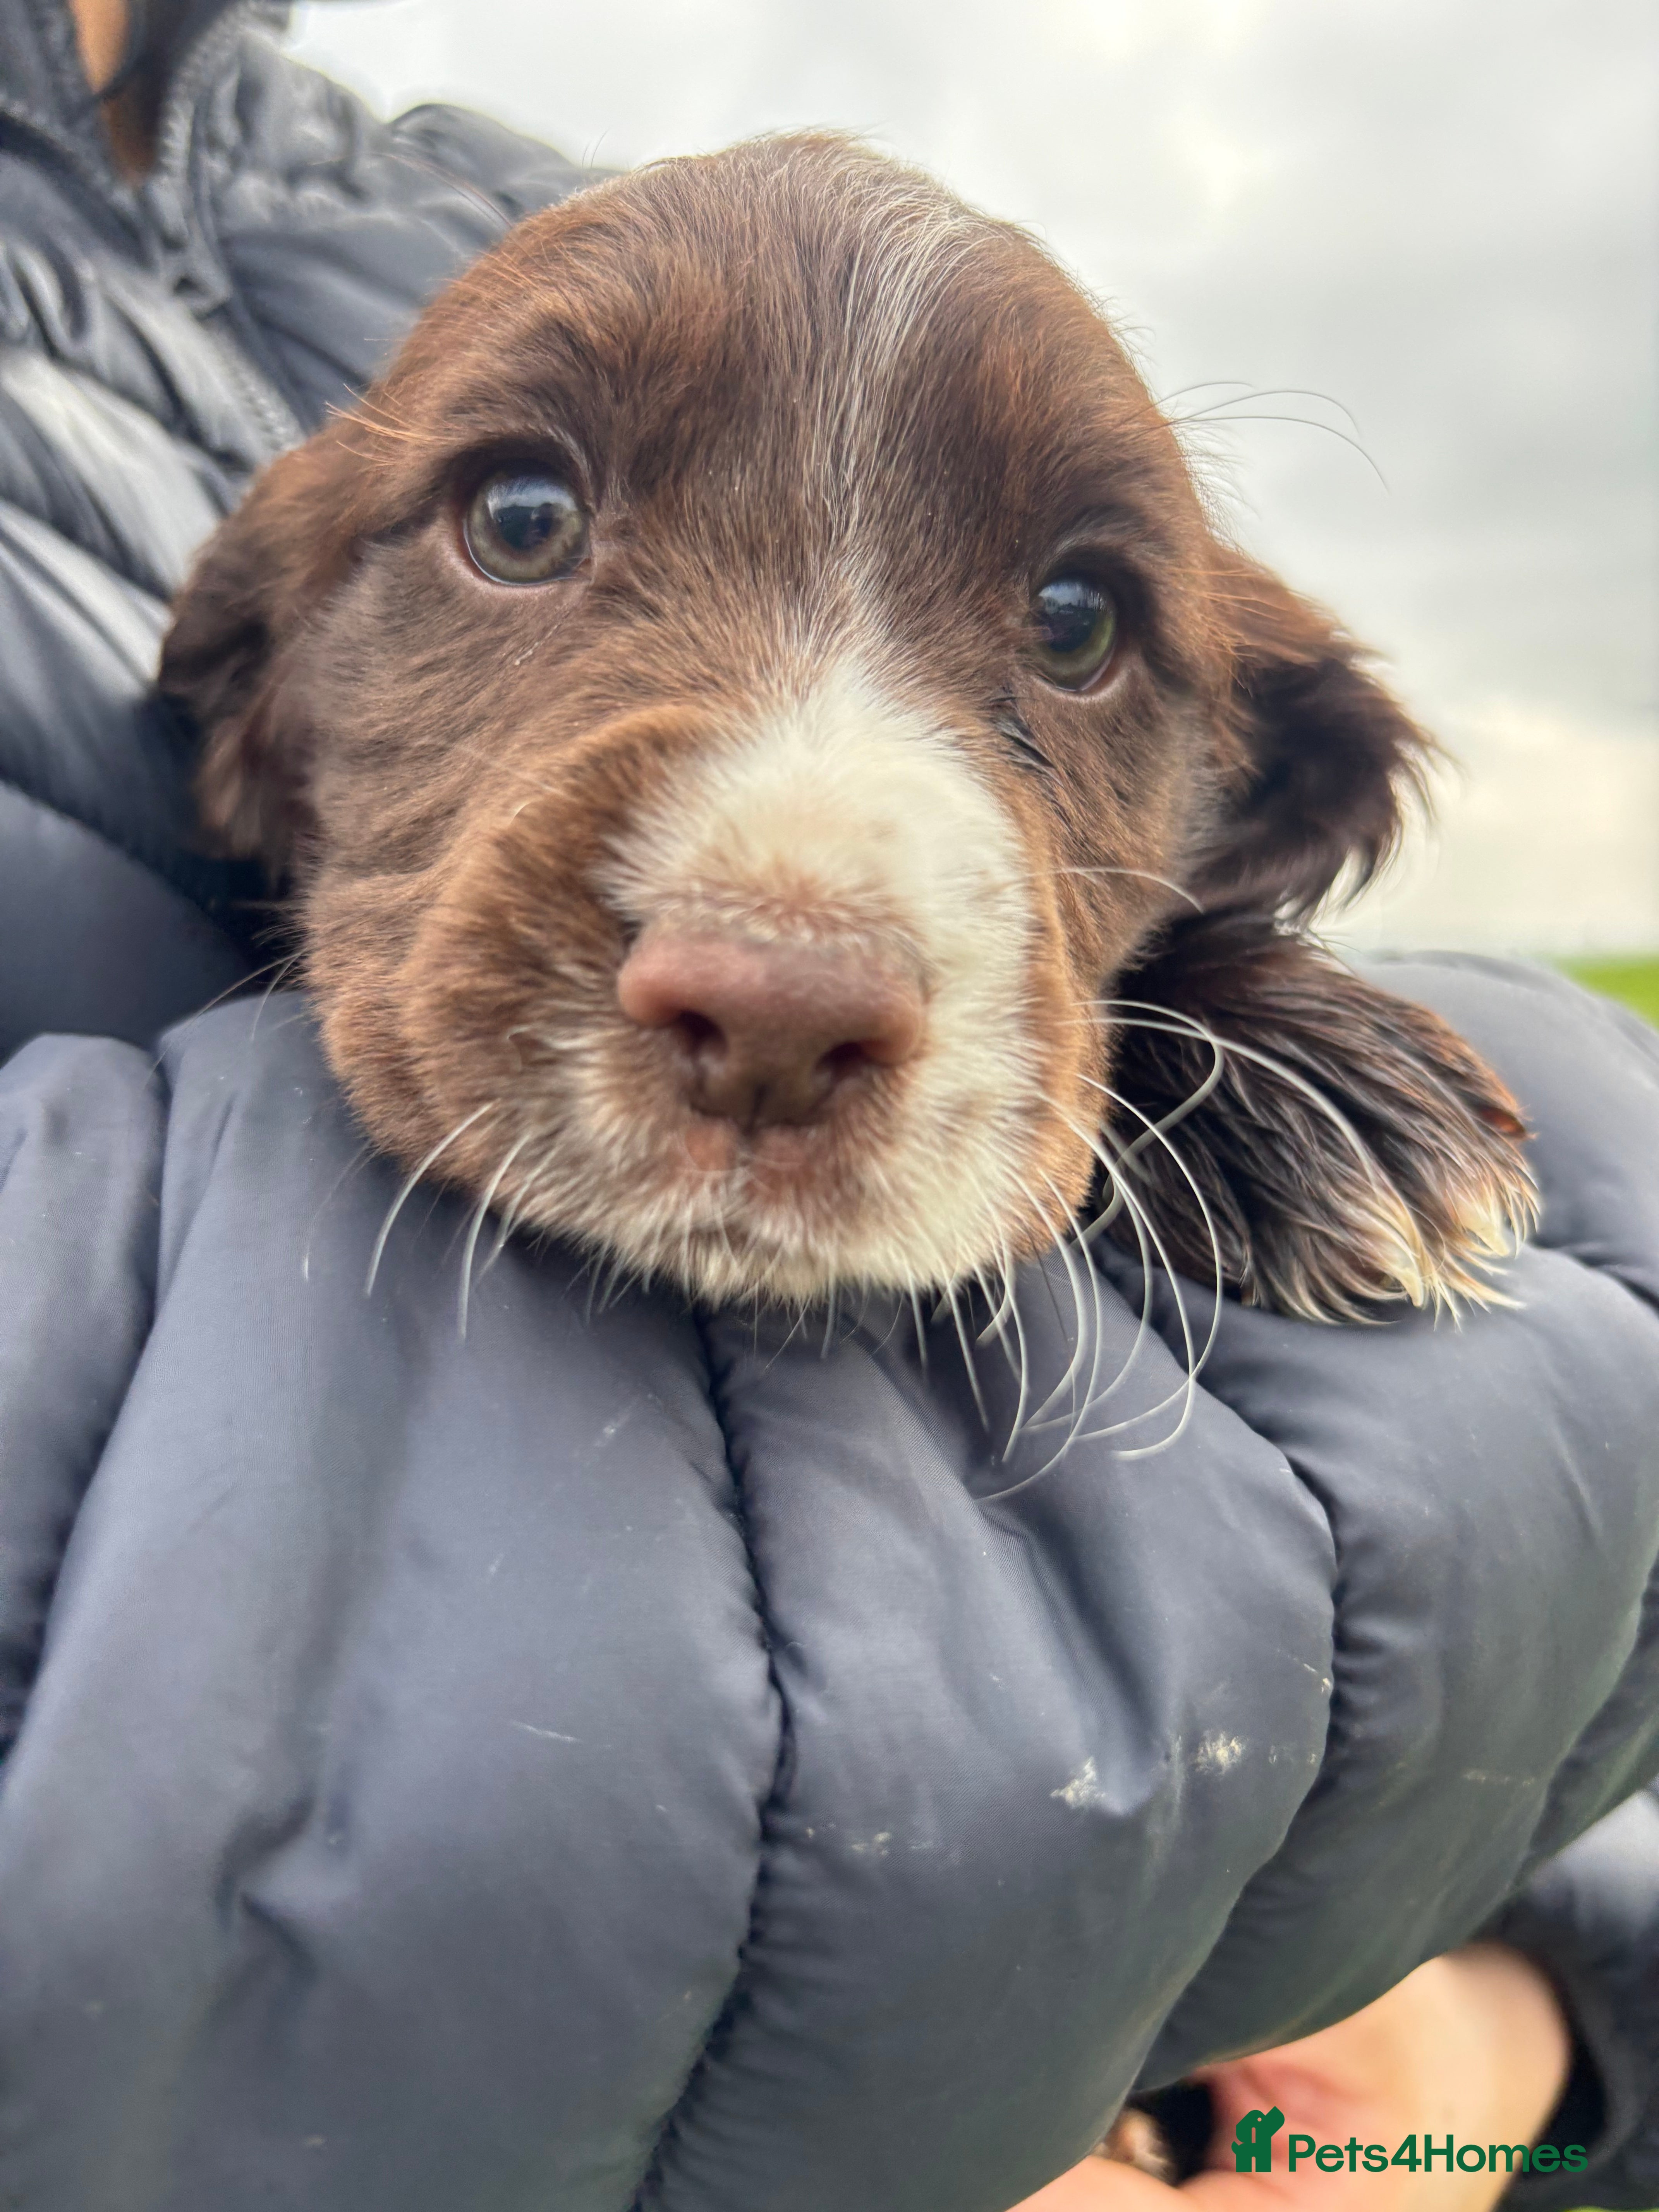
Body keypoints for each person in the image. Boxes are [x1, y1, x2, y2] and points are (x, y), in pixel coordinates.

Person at [1, 4, 1656, 2207]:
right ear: (251, 701)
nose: (787, 947)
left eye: (1074, 620)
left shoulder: (436, 194)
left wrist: (1505, 1985)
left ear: (1241, 806)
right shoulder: (313, 531)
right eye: (523, 516)